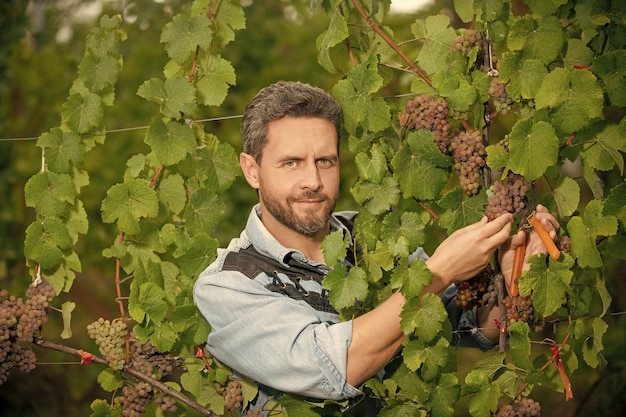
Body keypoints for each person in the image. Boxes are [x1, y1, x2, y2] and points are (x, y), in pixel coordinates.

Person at [193, 81, 559, 411]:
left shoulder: (372, 237)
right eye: (291, 163)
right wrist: (438, 272)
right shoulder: (229, 283)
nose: (313, 181)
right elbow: (334, 367)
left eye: (325, 161)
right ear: (251, 169)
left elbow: (475, 327)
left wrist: (514, 277)